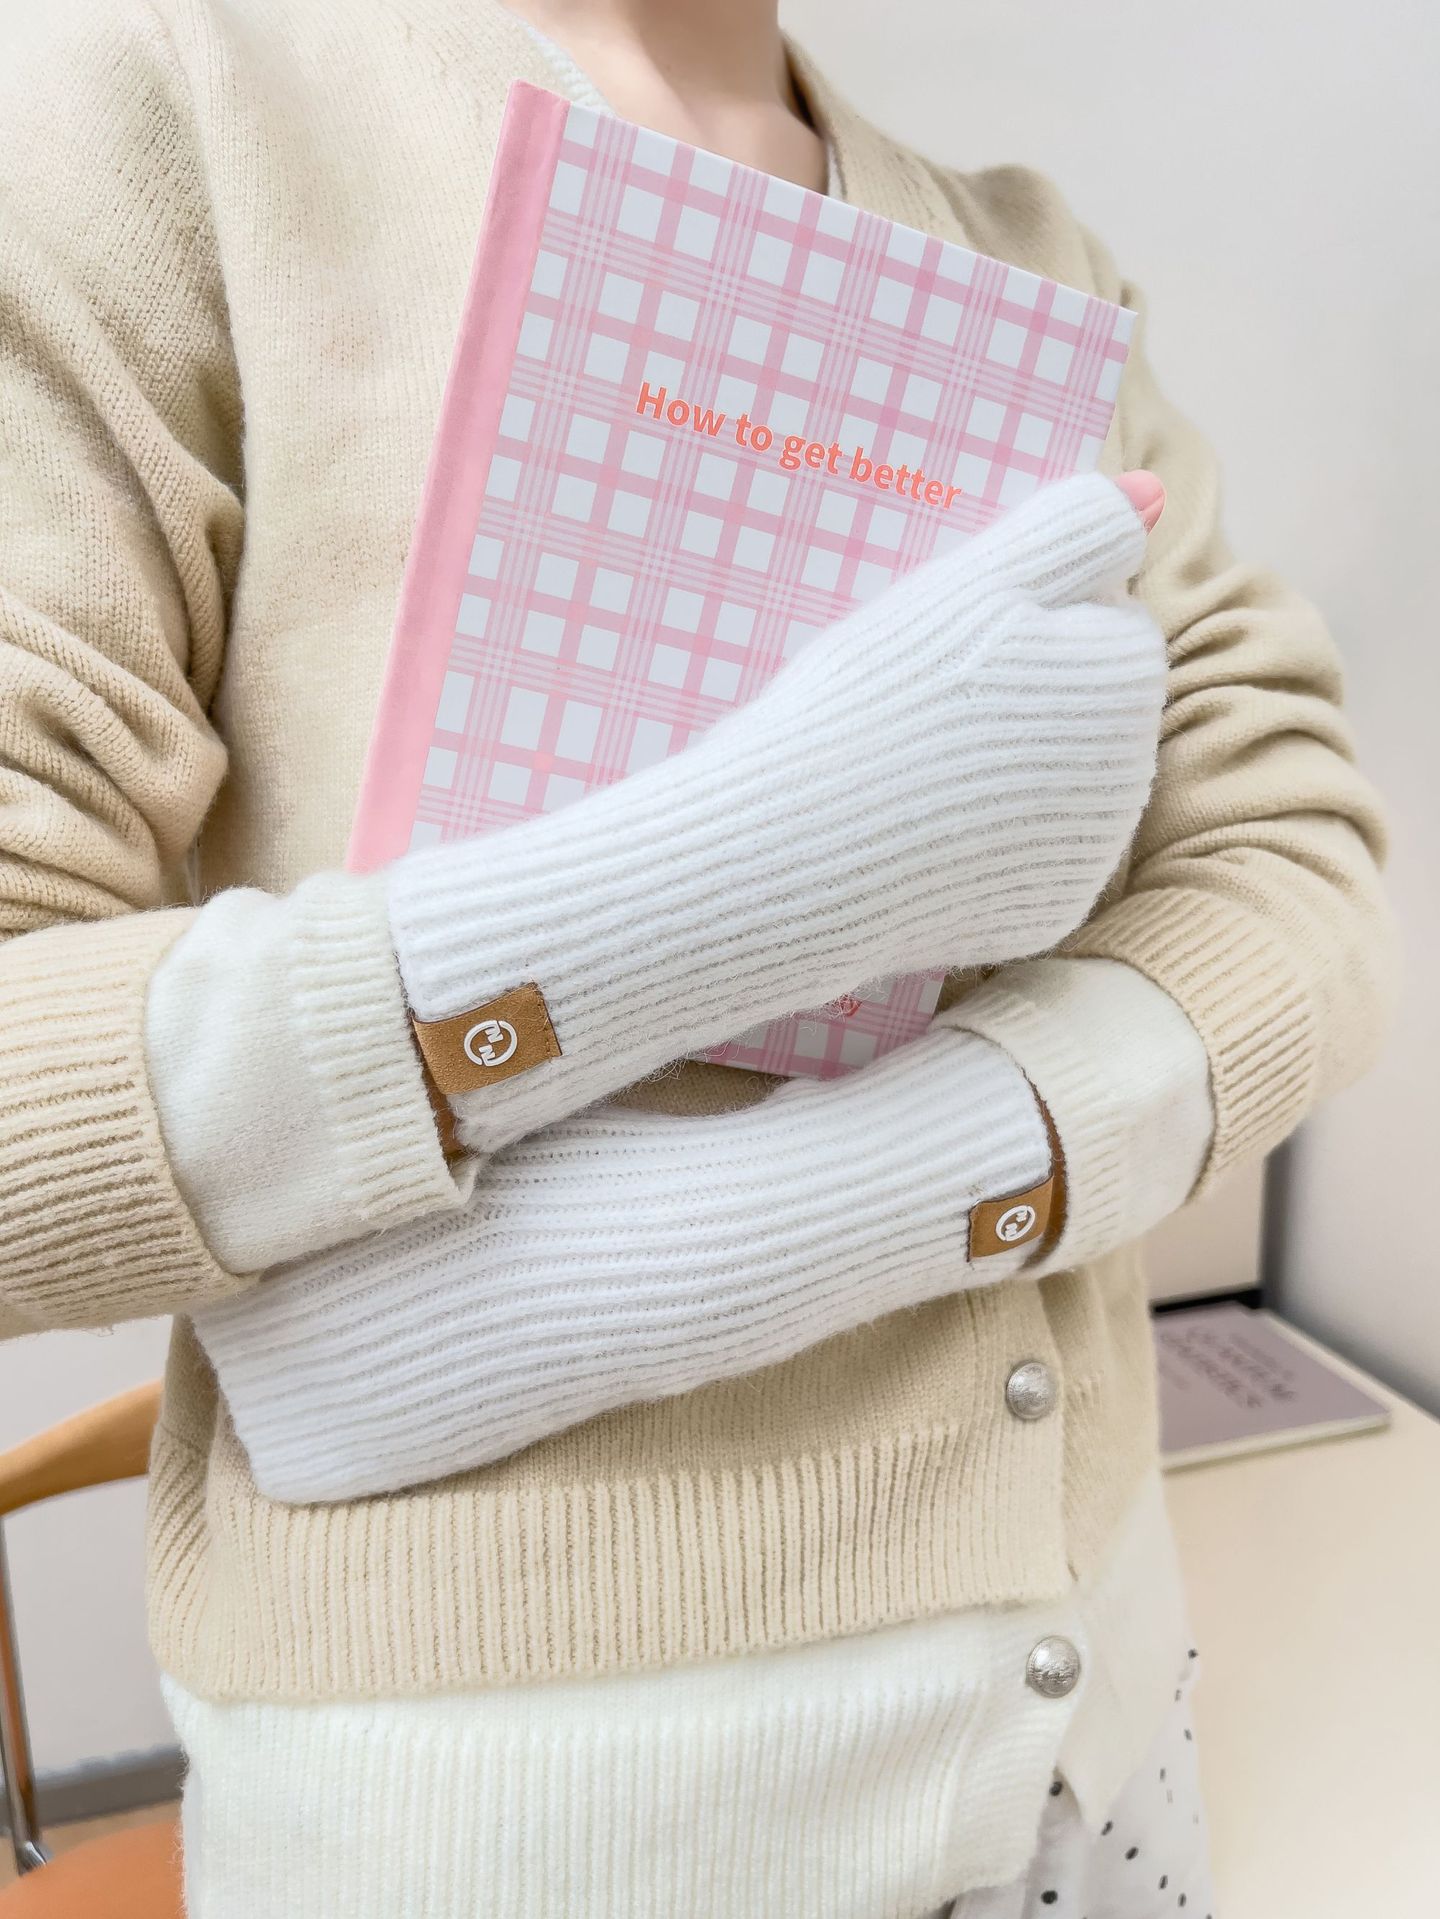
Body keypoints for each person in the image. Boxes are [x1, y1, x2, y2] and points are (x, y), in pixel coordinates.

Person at [0, 0, 1393, 1913]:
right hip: (534, 1830)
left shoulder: (1033, 260)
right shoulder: (169, 109)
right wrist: (742, 867)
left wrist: (770, 1231)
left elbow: (1298, 861)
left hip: (1100, 1736)